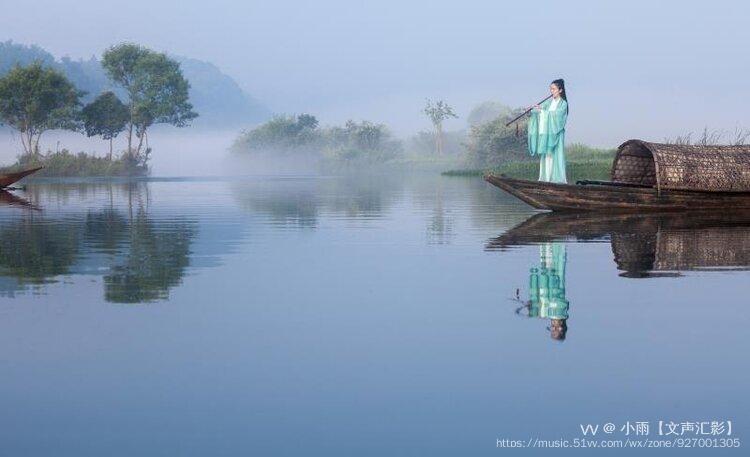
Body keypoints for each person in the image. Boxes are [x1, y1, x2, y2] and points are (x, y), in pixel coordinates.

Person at [527, 79, 569, 183]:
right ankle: (545, 178)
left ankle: (556, 179)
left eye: (554, 89)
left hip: (556, 134)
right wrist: (531, 111)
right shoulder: (549, 102)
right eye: (551, 89)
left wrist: (543, 111)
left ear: (560, 90)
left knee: (555, 156)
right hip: (547, 134)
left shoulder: (563, 104)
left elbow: (557, 117)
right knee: (546, 156)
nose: (552, 91)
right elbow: (540, 111)